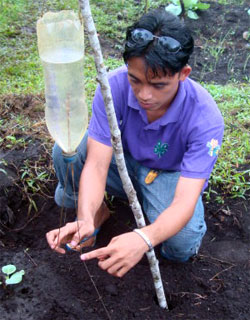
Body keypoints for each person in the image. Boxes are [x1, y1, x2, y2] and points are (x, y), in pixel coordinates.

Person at [46, 9, 224, 278]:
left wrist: (143, 238)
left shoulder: (205, 118)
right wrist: (83, 218)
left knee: (182, 244)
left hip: (168, 175)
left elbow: (185, 200)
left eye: (159, 85)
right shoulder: (113, 87)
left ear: (183, 73)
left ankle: (151, 211)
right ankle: (97, 215)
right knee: (66, 151)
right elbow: (95, 165)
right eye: (135, 80)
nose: (144, 94)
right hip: (123, 164)